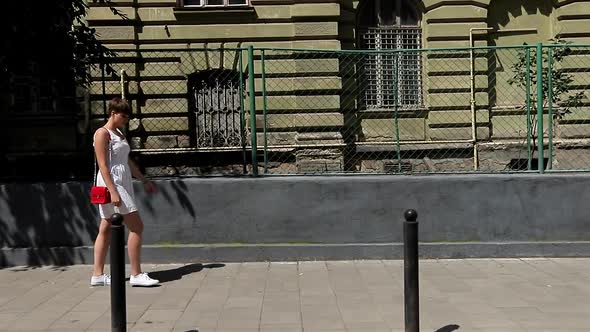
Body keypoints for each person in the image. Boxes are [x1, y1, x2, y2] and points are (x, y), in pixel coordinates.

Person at [90, 97, 159, 287]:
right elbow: (103, 165)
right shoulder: (102, 133)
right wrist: (113, 191)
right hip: (112, 182)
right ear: (113, 113)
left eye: (127, 116)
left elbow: (127, 161)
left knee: (105, 227)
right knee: (137, 226)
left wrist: (143, 180)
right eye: (123, 115)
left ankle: (97, 275)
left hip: (123, 180)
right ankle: (136, 274)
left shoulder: (119, 133)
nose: (126, 119)